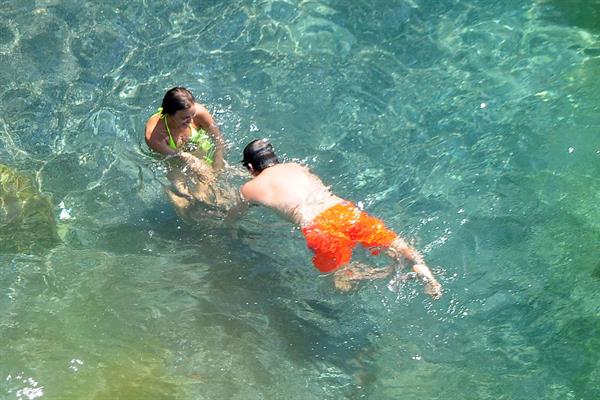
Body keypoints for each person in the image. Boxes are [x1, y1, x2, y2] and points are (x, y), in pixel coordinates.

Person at [228, 139, 442, 298]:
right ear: (275, 158)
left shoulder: (250, 187)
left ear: (249, 168)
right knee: (392, 242)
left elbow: (235, 213)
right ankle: (419, 265)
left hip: (317, 225)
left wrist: (227, 227)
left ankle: (387, 273)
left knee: (341, 282)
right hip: (341, 209)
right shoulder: (296, 167)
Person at [145, 87, 232, 216]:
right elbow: (176, 157)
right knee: (185, 199)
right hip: (174, 160)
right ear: (170, 115)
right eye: (185, 117)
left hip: (201, 151)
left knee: (213, 195)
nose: (191, 120)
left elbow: (219, 142)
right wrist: (189, 159)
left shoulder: (199, 113)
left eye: (192, 114)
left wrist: (216, 167)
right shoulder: (155, 135)